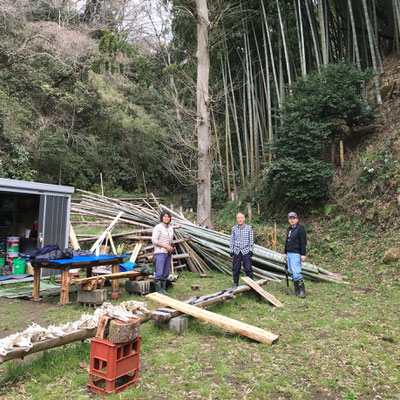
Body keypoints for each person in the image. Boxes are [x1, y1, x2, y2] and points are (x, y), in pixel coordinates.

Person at [283, 212, 307, 298]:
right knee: (291, 271)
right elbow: (287, 242)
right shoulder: (289, 229)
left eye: (293, 218)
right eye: (290, 218)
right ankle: (296, 288)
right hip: (289, 253)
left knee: (296, 272)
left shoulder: (300, 229)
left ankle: (302, 290)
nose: (292, 220)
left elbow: (303, 242)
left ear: (297, 219)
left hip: (296, 254)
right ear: (288, 220)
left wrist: (303, 254)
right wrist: (285, 252)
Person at [229, 213, 254, 290]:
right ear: (237, 219)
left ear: (244, 219)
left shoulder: (249, 228)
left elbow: (251, 240)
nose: (240, 219)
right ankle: (235, 283)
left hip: (246, 251)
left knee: (248, 268)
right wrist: (231, 250)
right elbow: (232, 240)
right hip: (237, 251)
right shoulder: (234, 228)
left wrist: (251, 250)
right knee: (236, 268)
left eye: (241, 218)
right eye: (238, 218)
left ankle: (251, 284)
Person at [151, 211, 174, 296]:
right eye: (164, 216)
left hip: (168, 252)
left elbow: (170, 240)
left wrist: (171, 246)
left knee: (166, 272)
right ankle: (158, 291)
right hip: (160, 252)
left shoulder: (170, 228)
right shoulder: (158, 227)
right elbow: (154, 240)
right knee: (159, 272)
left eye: (168, 217)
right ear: (161, 218)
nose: (166, 218)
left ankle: (163, 290)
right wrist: (166, 246)